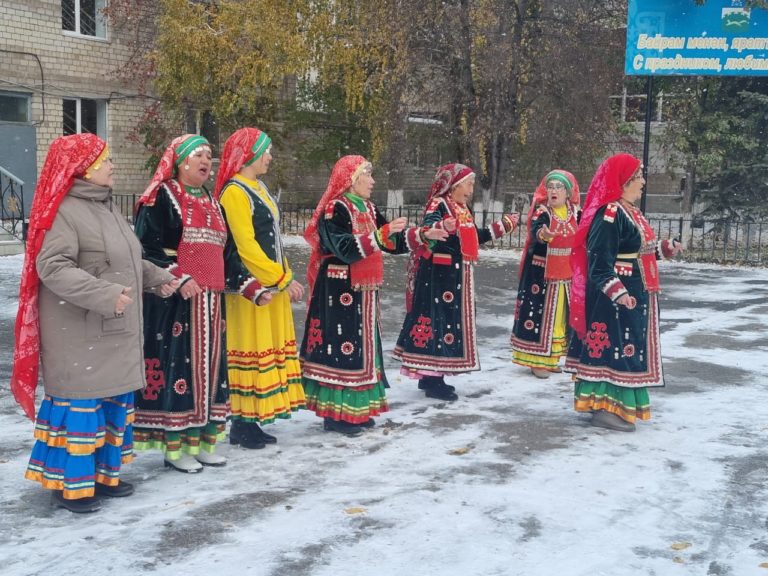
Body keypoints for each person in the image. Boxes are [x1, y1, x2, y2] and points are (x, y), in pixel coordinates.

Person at [11, 134, 178, 513]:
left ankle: (103, 477)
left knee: (112, 406)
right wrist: (105, 294)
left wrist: (159, 278)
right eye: (106, 160)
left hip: (113, 333)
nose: (112, 166)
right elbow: (52, 268)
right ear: (83, 169)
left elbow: (125, 262)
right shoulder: (64, 211)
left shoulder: (106, 207)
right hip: (81, 335)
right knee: (82, 411)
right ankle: (70, 485)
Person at [300, 155, 448, 436]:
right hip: (339, 290)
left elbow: (391, 241)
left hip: (365, 290)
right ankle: (335, 415)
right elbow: (343, 247)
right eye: (367, 175)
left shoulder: (367, 207)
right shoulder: (335, 208)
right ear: (352, 179)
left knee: (362, 348)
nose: (373, 181)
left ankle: (354, 411)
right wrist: (379, 237)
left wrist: (424, 235)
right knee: (342, 349)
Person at [133, 134, 231, 472]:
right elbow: (147, 246)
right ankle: (176, 448)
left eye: (209, 155)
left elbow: (226, 253)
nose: (206, 160)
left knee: (210, 372)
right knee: (180, 369)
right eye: (198, 154)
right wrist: (179, 276)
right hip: (175, 300)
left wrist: (252, 287)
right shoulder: (161, 196)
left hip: (211, 302)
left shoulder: (213, 201)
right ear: (180, 161)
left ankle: (202, 441)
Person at [565, 153, 683, 432]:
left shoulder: (630, 211)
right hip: (615, 301)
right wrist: (618, 293)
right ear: (624, 181)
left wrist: (665, 248)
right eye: (639, 176)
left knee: (625, 349)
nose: (643, 182)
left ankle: (612, 405)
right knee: (613, 351)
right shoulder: (610, 214)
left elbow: (638, 250)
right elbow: (599, 262)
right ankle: (605, 407)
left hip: (633, 295)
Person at [393, 163, 519, 401]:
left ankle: (432, 376)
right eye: (468, 184)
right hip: (437, 278)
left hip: (456, 276)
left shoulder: (462, 208)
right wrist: (440, 226)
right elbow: (428, 227)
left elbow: (473, 237)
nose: (471, 189)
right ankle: (432, 379)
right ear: (454, 185)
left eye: (472, 184)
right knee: (437, 322)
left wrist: (502, 226)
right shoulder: (439, 204)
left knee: (447, 324)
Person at [214, 127, 305, 450]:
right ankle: (241, 421)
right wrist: (279, 278)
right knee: (249, 347)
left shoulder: (258, 187)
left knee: (264, 347)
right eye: (265, 151)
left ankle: (252, 418)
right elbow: (245, 246)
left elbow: (273, 239)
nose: (270, 157)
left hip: (270, 284)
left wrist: (283, 274)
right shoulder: (234, 192)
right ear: (248, 154)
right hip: (249, 289)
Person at [511, 170, 581, 378]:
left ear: (568, 192)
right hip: (542, 275)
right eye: (550, 187)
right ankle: (536, 360)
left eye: (558, 187)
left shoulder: (575, 212)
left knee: (560, 318)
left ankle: (551, 358)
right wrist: (544, 235)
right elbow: (536, 231)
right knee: (541, 317)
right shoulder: (542, 212)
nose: (553, 191)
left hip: (567, 276)